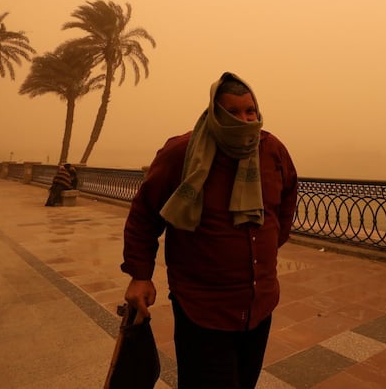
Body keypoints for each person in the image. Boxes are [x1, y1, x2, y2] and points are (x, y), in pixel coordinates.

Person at [121, 72, 298, 389]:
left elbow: (286, 203)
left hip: (259, 304)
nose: (244, 120)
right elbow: (144, 213)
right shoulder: (183, 153)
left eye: (250, 111)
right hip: (202, 309)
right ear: (215, 113)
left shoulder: (272, 151)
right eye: (232, 113)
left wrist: (264, 249)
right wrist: (140, 274)